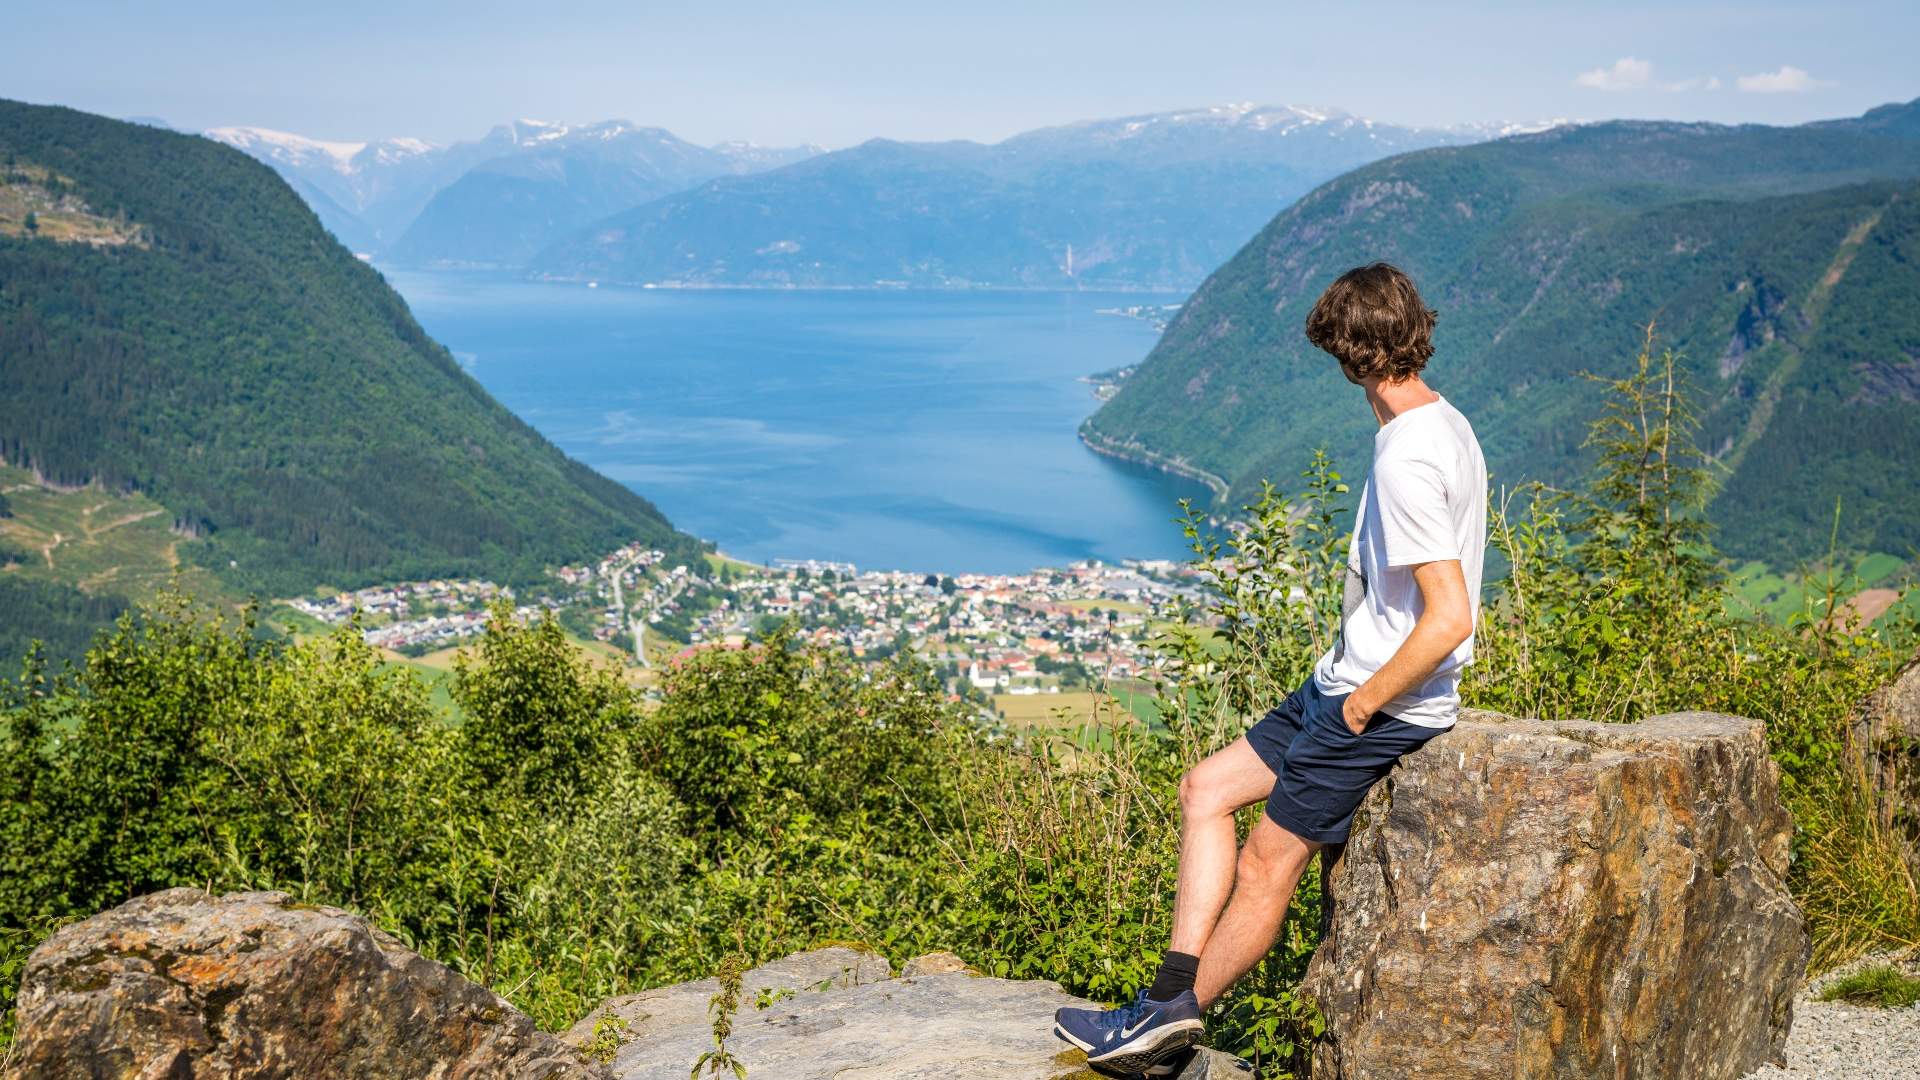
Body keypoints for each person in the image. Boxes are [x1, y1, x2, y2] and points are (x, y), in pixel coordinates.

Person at [1053, 263, 1487, 1075]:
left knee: (1265, 864)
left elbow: (1451, 618)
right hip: (1338, 685)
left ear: (1350, 355)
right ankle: (1164, 999)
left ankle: (1166, 1026)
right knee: (1205, 788)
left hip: (1375, 706)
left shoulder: (1406, 457)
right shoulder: (1445, 423)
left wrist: (1360, 710)